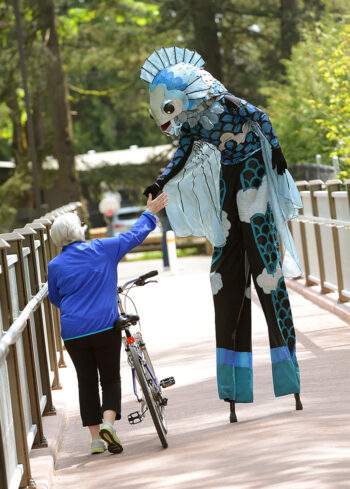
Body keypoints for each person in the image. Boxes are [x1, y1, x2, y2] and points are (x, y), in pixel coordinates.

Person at [140, 46, 303, 423]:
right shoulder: (194, 123)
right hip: (231, 175)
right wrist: (160, 179)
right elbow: (182, 153)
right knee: (223, 276)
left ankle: (287, 371)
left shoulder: (227, 103)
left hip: (252, 171)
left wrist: (275, 151)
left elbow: (260, 116)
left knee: (266, 271)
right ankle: (234, 383)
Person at [47, 192, 168, 454]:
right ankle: (109, 425)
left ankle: (95, 441)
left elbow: (54, 298)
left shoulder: (54, 265)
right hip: (104, 327)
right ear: (79, 230)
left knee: (86, 381)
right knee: (110, 379)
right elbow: (133, 236)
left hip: (73, 333)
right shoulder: (102, 248)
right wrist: (149, 213)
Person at [157, 168, 172, 270]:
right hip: (165, 216)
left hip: (167, 216)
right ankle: (167, 263)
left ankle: (170, 262)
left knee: (169, 239)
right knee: (167, 239)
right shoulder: (160, 186)